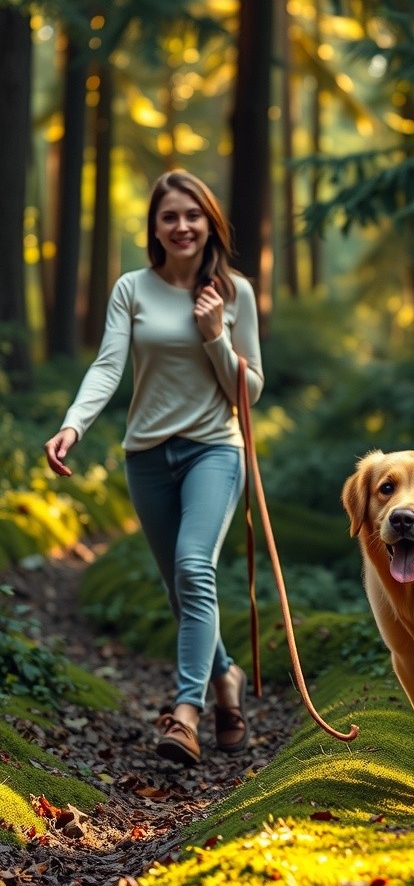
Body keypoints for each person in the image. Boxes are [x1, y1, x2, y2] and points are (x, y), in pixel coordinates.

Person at [44, 169, 264, 767]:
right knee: (180, 589)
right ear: (156, 228)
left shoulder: (234, 293)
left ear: (209, 222)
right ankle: (227, 682)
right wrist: (74, 423)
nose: (182, 226)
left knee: (195, 568)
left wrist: (216, 336)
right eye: (170, 216)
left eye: (192, 215)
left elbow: (252, 389)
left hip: (214, 451)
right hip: (146, 458)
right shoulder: (131, 289)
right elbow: (107, 366)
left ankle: (186, 712)